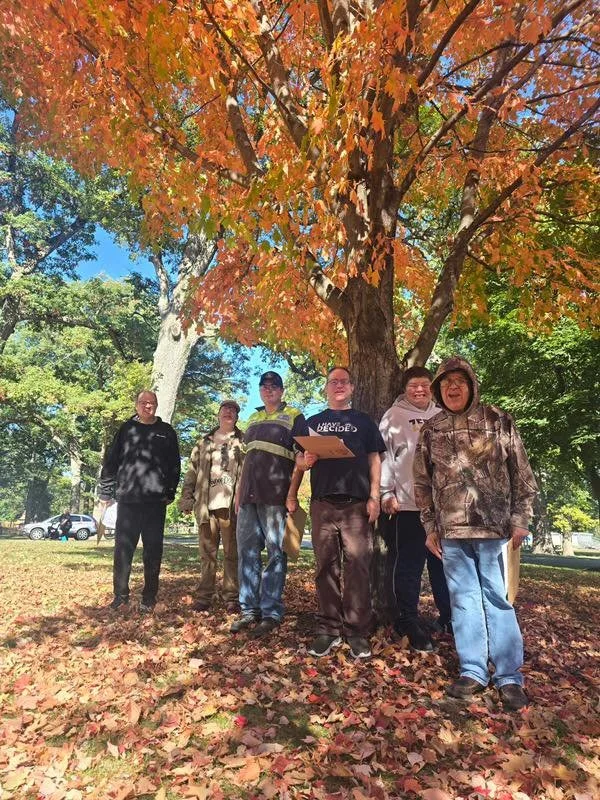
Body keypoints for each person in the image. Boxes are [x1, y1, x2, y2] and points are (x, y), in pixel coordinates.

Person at [413, 356, 537, 711]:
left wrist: (521, 518)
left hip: (494, 529)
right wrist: (429, 525)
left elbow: (521, 473)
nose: (453, 388)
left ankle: (509, 676)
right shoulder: (431, 429)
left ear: (471, 385)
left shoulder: (498, 420)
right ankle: (473, 670)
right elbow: (421, 481)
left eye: (459, 381)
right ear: (438, 390)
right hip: (450, 532)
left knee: (498, 599)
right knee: (463, 601)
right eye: (446, 383)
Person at [291, 366, 385, 659]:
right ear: (326, 388)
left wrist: (375, 496)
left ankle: (357, 632)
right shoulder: (313, 422)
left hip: (357, 504)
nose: (339, 385)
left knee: (358, 566)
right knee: (325, 567)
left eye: (344, 381)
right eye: (334, 381)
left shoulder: (364, 421)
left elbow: (374, 459)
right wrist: (305, 460)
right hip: (322, 504)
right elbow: (299, 461)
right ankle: (328, 630)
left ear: (353, 387)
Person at [379, 366, 451, 652]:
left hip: (444, 507)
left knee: (443, 565)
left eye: (424, 384)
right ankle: (406, 619)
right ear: (405, 389)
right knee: (409, 565)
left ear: (432, 388)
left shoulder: (443, 414)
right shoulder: (392, 416)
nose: (419, 390)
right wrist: (386, 492)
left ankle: (449, 618)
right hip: (409, 505)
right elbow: (384, 456)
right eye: (413, 385)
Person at [230, 371, 305, 637]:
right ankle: (248, 610)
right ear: (260, 391)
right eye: (264, 386)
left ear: (282, 391)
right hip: (247, 497)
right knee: (247, 553)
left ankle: (271, 612)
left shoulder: (294, 416)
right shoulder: (252, 419)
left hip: (275, 497)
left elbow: (301, 460)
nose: (269, 389)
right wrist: (238, 495)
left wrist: (292, 495)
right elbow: (245, 463)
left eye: (274, 386)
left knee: (275, 553)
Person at [99, 390, 181, 613]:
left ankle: (149, 597)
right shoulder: (126, 429)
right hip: (128, 500)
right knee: (123, 551)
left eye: (152, 402)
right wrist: (105, 492)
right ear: (136, 405)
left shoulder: (166, 432)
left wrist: (170, 492)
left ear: (156, 405)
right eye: (143, 402)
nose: (148, 406)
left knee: (153, 552)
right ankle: (120, 596)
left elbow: (175, 465)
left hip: (155, 502)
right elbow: (111, 461)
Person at [179, 400, 244, 614]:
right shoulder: (203, 442)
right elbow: (191, 472)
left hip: (231, 506)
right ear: (218, 414)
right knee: (207, 553)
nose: (229, 412)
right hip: (206, 505)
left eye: (233, 410)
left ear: (237, 417)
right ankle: (204, 596)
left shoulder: (244, 441)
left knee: (232, 554)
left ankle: (231, 598)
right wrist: (187, 499)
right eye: (225, 409)